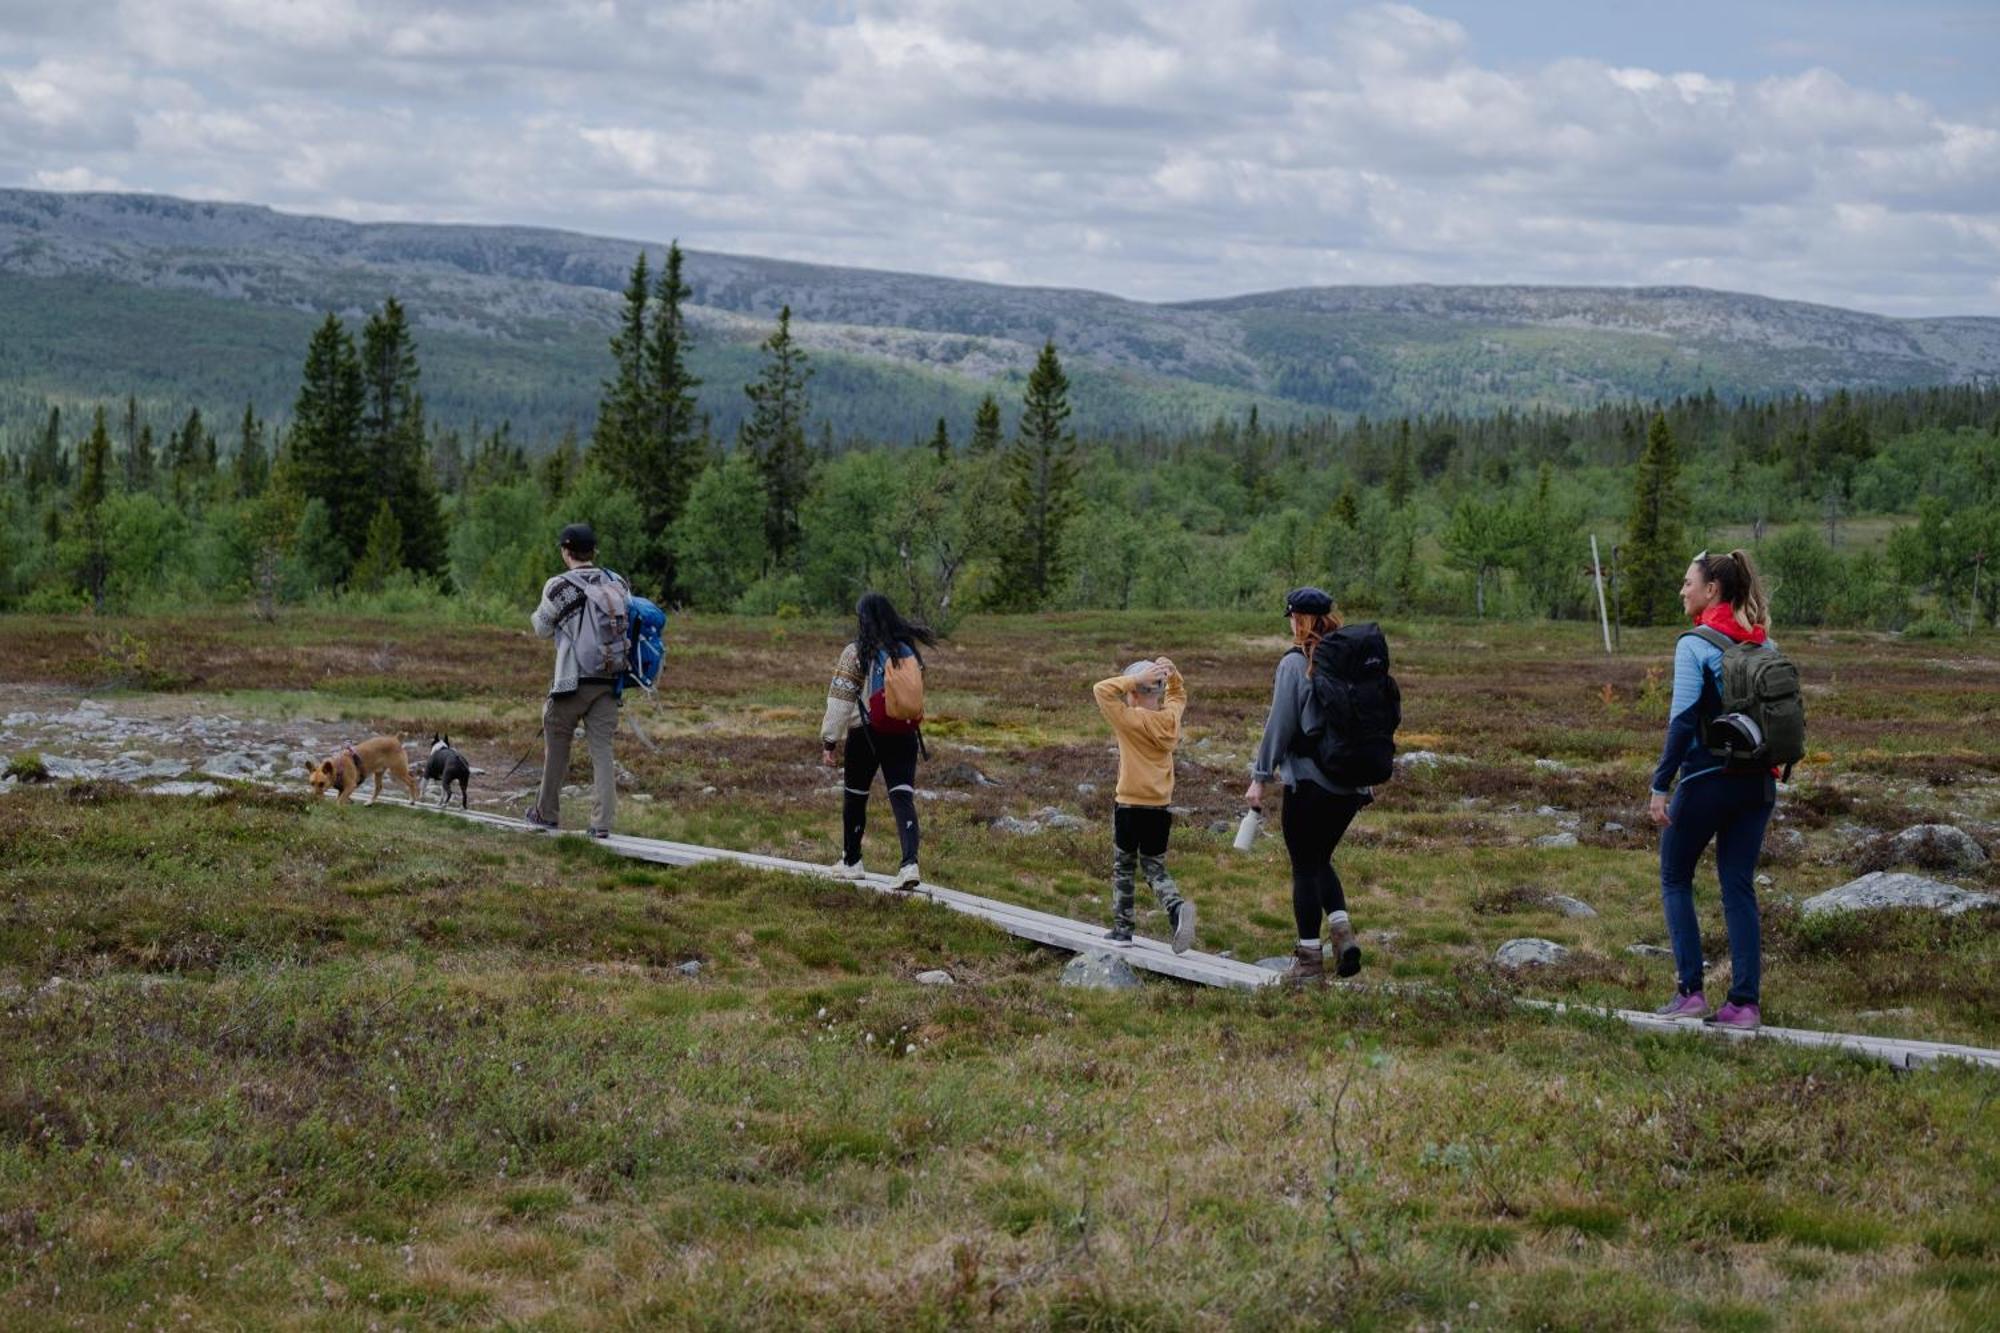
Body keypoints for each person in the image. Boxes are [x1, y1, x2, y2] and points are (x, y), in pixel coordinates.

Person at [1649, 549, 1778, 1030]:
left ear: (1712, 591)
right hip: (1759, 785)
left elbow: (1682, 722)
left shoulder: (1694, 644)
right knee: (1738, 886)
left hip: (1706, 780)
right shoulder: (1766, 644)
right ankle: (1744, 1004)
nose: (1682, 590)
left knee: (1675, 877)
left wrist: (1661, 785)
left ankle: (1690, 992)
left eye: (1688, 583)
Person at [1245, 586, 1369, 983]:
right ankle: (1343, 935)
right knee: (1319, 860)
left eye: (1293, 619)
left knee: (1304, 867)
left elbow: (1279, 725)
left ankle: (1309, 964)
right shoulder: (1353, 658)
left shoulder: (1295, 664)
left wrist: (1259, 779)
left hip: (1310, 784)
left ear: (1299, 619)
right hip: (1351, 786)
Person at [820, 592, 936, 889]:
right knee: (902, 797)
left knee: (855, 796)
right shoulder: (908, 651)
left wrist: (829, 741)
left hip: (867, 734)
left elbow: (840, 698)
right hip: (906, 733)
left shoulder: (857, 651)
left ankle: (852, 861)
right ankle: (909, 865)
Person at [524, 523, 628, 838]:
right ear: (593, 551)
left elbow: (541, 628)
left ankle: (547, 813)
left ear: (566, 551)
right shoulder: (616, 581)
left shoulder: (558, 586)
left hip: (570, 680)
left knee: (557, 750)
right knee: (602, 752)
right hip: (610, 680)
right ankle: (601, 824)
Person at [1092, 658, 1197, 953]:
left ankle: (1123, 929)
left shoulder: (1128, 719)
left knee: (1124, 866)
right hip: (1160, 807)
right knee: (1154, 868)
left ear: (1134, 692)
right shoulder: (1170, 719)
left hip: (1129, 805)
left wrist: (1134, 678)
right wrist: (1173, 675)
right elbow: (1178, 697)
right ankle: (1176, 909)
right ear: (1158, 692)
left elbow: (1101, 690)